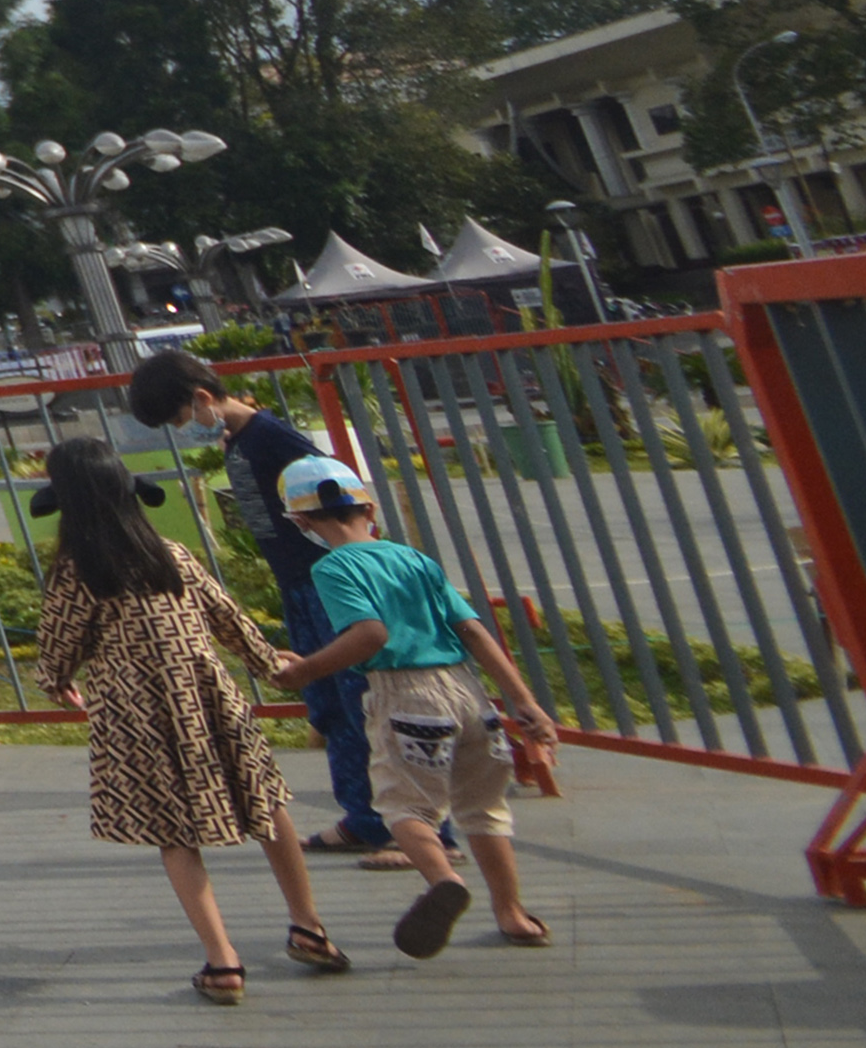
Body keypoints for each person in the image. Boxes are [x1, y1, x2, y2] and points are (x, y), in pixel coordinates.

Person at [30, 436, 348, 1003]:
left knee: (173, 831)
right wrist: (268, 663)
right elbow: (228, 617)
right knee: (267, 804)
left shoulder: (77, 571)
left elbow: (57, 648)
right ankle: (309, 926)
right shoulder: (171, 554)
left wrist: (56, 683)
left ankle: (222, 962)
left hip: (135, 713)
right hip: (209, 696)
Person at [266, 455, 555, 957]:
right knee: (485, 809)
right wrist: (524, 700)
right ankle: (512, 914)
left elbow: (369, 635)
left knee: (404, 810)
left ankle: (443, 878)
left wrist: (305, 671)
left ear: (301, 522)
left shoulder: (333, 567)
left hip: (406, 695)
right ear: (369, 506)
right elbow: (472, 629)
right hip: (467, 692)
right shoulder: (415, 559)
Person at [125, 348, 396, 859]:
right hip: (298, 584)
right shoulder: (241, 442)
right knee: (331, 707)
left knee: (363, 701)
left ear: (202, 399)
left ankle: (413, 825)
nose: (183, 428)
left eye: (181, 417)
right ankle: (364, 816)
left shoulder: (274, 440)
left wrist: (356, 570)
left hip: (328, 585)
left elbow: (344, 498)